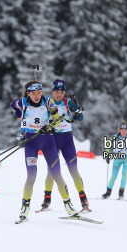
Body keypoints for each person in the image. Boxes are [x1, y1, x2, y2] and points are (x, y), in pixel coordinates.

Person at [10, 81, 79, 223]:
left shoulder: (49, 102)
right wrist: (21, 123)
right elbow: (13, 105)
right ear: (28, 93)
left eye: (39, 93)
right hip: (31, 143)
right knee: (31, 175)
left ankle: (69, 206)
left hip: (48, 142)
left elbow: (57, 120)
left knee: (57, 174)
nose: (36, 96)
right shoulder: (22, 103)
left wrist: (49, 125)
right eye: (33, 93)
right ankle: (25, 208)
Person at [39, 79, 90, 212]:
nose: (59, 94)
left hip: (67, 140)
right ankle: (47, 199)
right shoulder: (48, 103)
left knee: (73, 170)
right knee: (51, 171)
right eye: (56, 92)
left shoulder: (68, 103)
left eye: (61, 92)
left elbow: (81, 118)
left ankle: (83, 199)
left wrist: (75, 105)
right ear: (53, 91)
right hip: (53, 140)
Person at [102, 121, 127, 199]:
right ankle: (108, 192)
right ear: (119, 130)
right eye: (122, 130)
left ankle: (121, 193)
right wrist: (107, 155)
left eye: (125, 130)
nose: (123, 132)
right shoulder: (115, 137)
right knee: (114, 176)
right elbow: (108, 145)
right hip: (117, 158)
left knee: (124, 173)